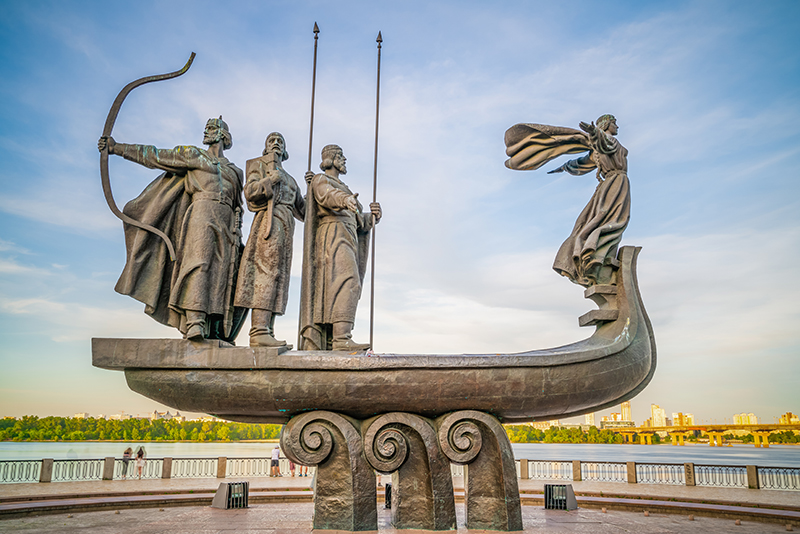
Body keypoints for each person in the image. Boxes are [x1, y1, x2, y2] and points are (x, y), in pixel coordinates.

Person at [98, 117, 244, 341]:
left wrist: (237, 227)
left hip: (227, 223)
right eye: (206, 127)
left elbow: (238, 205)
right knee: (200, 262)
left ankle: (214, 326)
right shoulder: (193, 155)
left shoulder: (235, 171)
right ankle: (195, 320)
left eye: (212, 128)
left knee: (223, 273)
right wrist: (117, 148)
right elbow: (156, 156)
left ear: (224, 136)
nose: (206, 131)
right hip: (201, 212)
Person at [504, 114, 630, 287]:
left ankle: (600, 257)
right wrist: (594, 133)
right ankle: (593, 255)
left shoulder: (601, 147)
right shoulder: (607, 140)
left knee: (604, 220)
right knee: (612, 221)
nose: (617, 126)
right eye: (615, 123)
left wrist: (564, 167)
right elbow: (603, 144)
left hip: (610, 186)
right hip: (615, 184)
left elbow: (580, 163)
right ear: (607, 125)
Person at [298, 144, 382, 351]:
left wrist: (372, 217)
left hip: (349, 235)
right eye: (341, 156)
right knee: (347, 280)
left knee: (344, 284)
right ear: (331, 159)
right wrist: (344, 200)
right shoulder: (321, 179)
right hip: (333, 234)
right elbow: (326, 196)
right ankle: (341, 338)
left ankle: (335, 337)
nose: (344, 160)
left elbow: (359, 222)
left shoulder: (345, 188)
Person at [234, 133, 305, 346]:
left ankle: (268, 330)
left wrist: (313, 190)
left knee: (278, 277)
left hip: (286, 227)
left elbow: (303, 210)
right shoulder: (258, 165)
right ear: (266, 148)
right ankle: (258, 331)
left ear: (285, 151)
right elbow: (250, 192)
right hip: (269, 222)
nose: (276, 143)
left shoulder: (291, 180)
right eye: (271, 141)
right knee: (266, 272)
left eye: (280, 141)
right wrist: (269, 181)